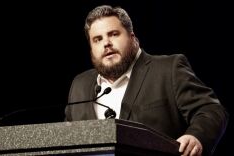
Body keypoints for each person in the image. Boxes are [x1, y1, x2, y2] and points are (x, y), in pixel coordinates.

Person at [65, 5, 228, 156]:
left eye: (113, 34)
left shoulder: (168, 69)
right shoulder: (80, 85)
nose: (106, 43)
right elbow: (64, 138)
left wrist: (196, 136)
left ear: (132, 37)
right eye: (97, 39)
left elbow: (210, 109)